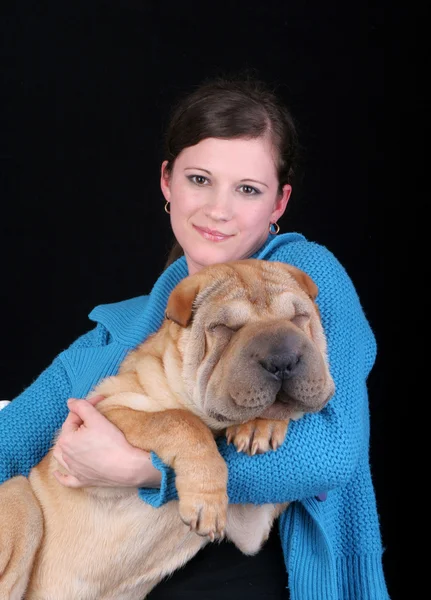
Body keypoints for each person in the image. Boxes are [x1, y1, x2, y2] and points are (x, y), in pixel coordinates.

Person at [0, 74, 389, 600]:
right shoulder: (120, 332)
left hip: (266, 568)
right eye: (200, 180)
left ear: (278, 203)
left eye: (247, 189)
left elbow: (332, 454)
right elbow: (11, 441)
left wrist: (140, 468)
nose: (218, 209)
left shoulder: (300, 280)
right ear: (167, 182)